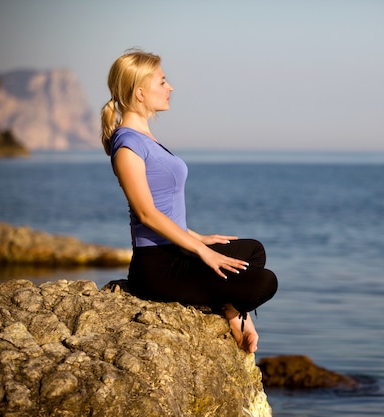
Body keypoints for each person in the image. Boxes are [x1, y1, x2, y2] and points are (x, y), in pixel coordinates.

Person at [100, 49, 278, 353]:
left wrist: (198, 236)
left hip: (178, 247)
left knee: (252, 250)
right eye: (163, 81)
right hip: (157, 266)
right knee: (265, 283)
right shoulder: (127, 145)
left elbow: (165, 208)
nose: (170, 88)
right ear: (140, 92)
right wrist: (201, 251)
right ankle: (233, 313)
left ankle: (232, 312)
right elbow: (146, 213)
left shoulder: (146, 139)